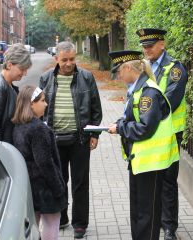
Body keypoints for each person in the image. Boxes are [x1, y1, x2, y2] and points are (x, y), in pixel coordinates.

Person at [107, 50, 179, 240]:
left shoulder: (148, 93)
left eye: (119, 72)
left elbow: (144, 128)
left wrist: (121, 127)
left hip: (152, 163)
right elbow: (136, 119)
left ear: (129, 68)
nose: (118, 76)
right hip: (141, 161)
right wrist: (121, 123)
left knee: (147, 214)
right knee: (139, 211)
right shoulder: (139, 90)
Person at [39, 41, 102, 239]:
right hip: (54, 140)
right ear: (56, 59)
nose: (69, 63)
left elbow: (95, 108)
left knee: (80, 183)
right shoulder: (46, 79)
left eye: (72, 59)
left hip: (79, 140)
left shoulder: (86, 77)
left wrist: (94, 134)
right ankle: (62, 218)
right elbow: (38, 110)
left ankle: (80, 224)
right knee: (59, 181)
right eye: (64, 60)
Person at [136, 28, 188, 240]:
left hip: (169, 133)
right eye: (144, 46)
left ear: (162, 44)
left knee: (167, 180)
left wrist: (148, 116)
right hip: (148, 132)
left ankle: (169, 227)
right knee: (151, 179)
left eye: (150, 45)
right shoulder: (142, 68)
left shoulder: (175, 69)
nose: (146, 49)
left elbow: (172, 100)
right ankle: (155, 220)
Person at [12, 86, 67, 240]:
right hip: (46, 187)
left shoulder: (18, 126)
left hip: (30, 186)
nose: (46, 104)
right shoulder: (38, 129)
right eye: (42, 101)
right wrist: (58, 187)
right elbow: (44, 162)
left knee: (33, 227)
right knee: (51, 224)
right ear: (31, 104)